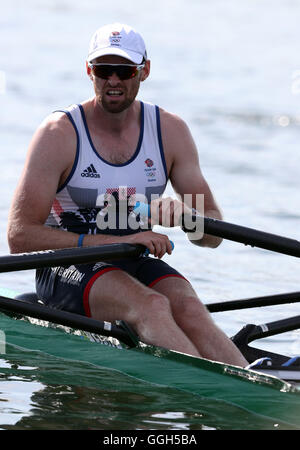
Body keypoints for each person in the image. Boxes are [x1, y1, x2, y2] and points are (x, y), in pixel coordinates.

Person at [7, 23, 247, 366]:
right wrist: (120, 238)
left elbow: (212, 236)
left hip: (132, 259)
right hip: (64, 265)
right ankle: (214, 390)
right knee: (151, 305)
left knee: (189, 307)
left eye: (124, 70)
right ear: (89, 71)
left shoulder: (169, 132)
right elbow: (19, 237)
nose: (113, 80)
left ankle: (251, 383)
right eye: (104, 70)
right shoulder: (59, 134)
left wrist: (186, 217)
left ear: (144, 70)